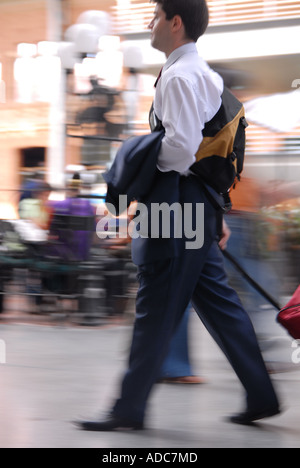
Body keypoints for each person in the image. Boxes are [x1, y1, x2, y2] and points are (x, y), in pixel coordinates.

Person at [77, 0, 280, 431]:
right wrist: (212, 212)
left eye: (153, 17)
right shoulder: (205, 74)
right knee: (221, 306)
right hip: (197, 205)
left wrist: (141, 165)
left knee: (155, 303)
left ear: (175, 22)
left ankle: (127, 409)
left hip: (175, 207)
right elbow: (207, 152)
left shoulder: (179, 75)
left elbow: (180, 149)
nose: (149, 24)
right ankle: (261, 395)